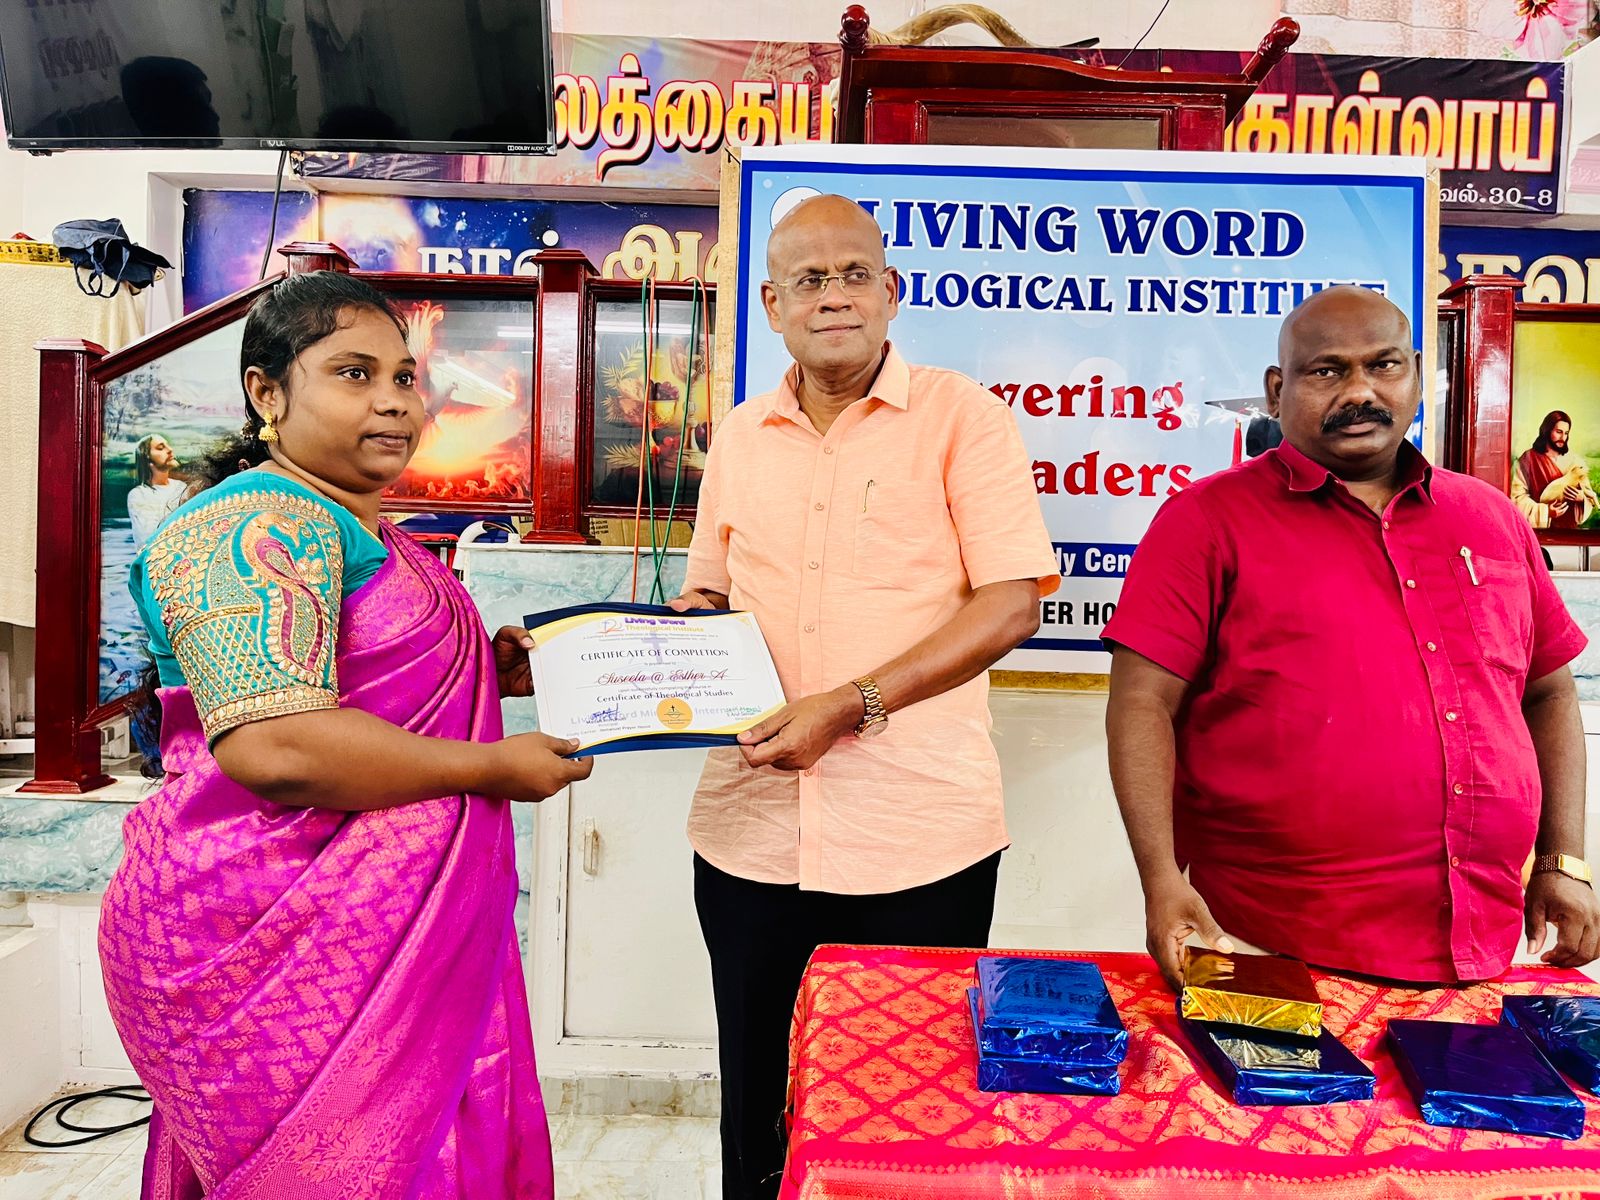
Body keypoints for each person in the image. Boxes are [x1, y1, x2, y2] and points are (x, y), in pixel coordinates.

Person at [98, 271, 591, 1200]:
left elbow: (357, 678)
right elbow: (274, 746)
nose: (395, 402)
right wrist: (490, 764)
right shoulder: (249, 523)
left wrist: (481, 670)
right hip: (267, 934)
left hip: (394, 934)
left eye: (405, 378)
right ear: (267, 392)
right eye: (354, 374)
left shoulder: (363, 527)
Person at [671, 194, 1057, 1199]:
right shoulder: (741, 435)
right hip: (749, 834)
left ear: (891, 291)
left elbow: (1011, 603)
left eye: (853, 276)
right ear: (772, 305)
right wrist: (643, 662)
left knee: (909, 1119)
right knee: (759, 1109)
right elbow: (707, 594)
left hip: (917, 840)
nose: (833, 297)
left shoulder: (962, 418)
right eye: (808, 279)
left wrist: (852, 701)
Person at [1104, 286, 1600, 991]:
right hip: (1261, 942)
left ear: (1417, 376)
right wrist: (1161, 882)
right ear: (1277, 390)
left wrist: (1562, 860)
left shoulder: (1491, 519)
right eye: (1327, 370)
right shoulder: (1204, 522)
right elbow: (1141, 704)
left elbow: (1547, 692)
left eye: (1384, 365)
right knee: (1256, 1074)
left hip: (1483, 940)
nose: (1360, 391)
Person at [1513, 409, 1596, 529]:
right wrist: (1546, 512)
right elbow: (1517, 498)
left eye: (1566, 433)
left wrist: (1581, 498)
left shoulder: (1574, 461)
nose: (1563, 437)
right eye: (1559, 432)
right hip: (1541, 532)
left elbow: (1588, 496)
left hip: (1570, 532)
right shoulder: (1529, 459)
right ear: (1547, 431)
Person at [126, 433, 188, 548]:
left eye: (168, 445)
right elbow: (147, 539)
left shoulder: (181, 487)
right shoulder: (139, 495)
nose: (170, 450)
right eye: (160, 448)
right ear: (147, 458)